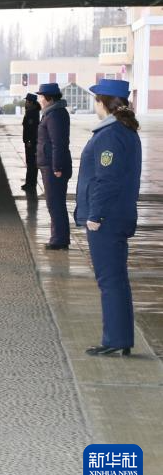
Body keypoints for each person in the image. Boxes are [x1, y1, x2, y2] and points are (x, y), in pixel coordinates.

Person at [73, 79, 142, 357]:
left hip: (107, 219)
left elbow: (107, 180)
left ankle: (115, 339)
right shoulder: (125, 131)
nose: (95, 105)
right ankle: (120, 338)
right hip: (118, 214)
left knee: (109, 280)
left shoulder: (110, 135)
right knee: (116, 279)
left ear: (103, 102)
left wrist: (96, 215)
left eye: (96, 100)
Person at [36, 82, 71, 250]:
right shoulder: (51, 113)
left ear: (48, 98)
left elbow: (58, 143)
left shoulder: (55, 115)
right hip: (50, 165)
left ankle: (59, 240)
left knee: (55, 203)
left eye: (41, 97)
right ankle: (58, 237)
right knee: (55, 203)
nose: (39, 100)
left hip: (53, 167)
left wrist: (57, 167)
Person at [21, 93, 40, 192]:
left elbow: (32, 129)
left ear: (31, 102)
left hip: (31, 143)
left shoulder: (32, 113)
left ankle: (31, 183)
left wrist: (29, 140)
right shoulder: (32, 111)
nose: (26, 103)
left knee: (31, 163)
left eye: (27, 101)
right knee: (30, 163)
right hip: (30, 142)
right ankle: (30, 182)